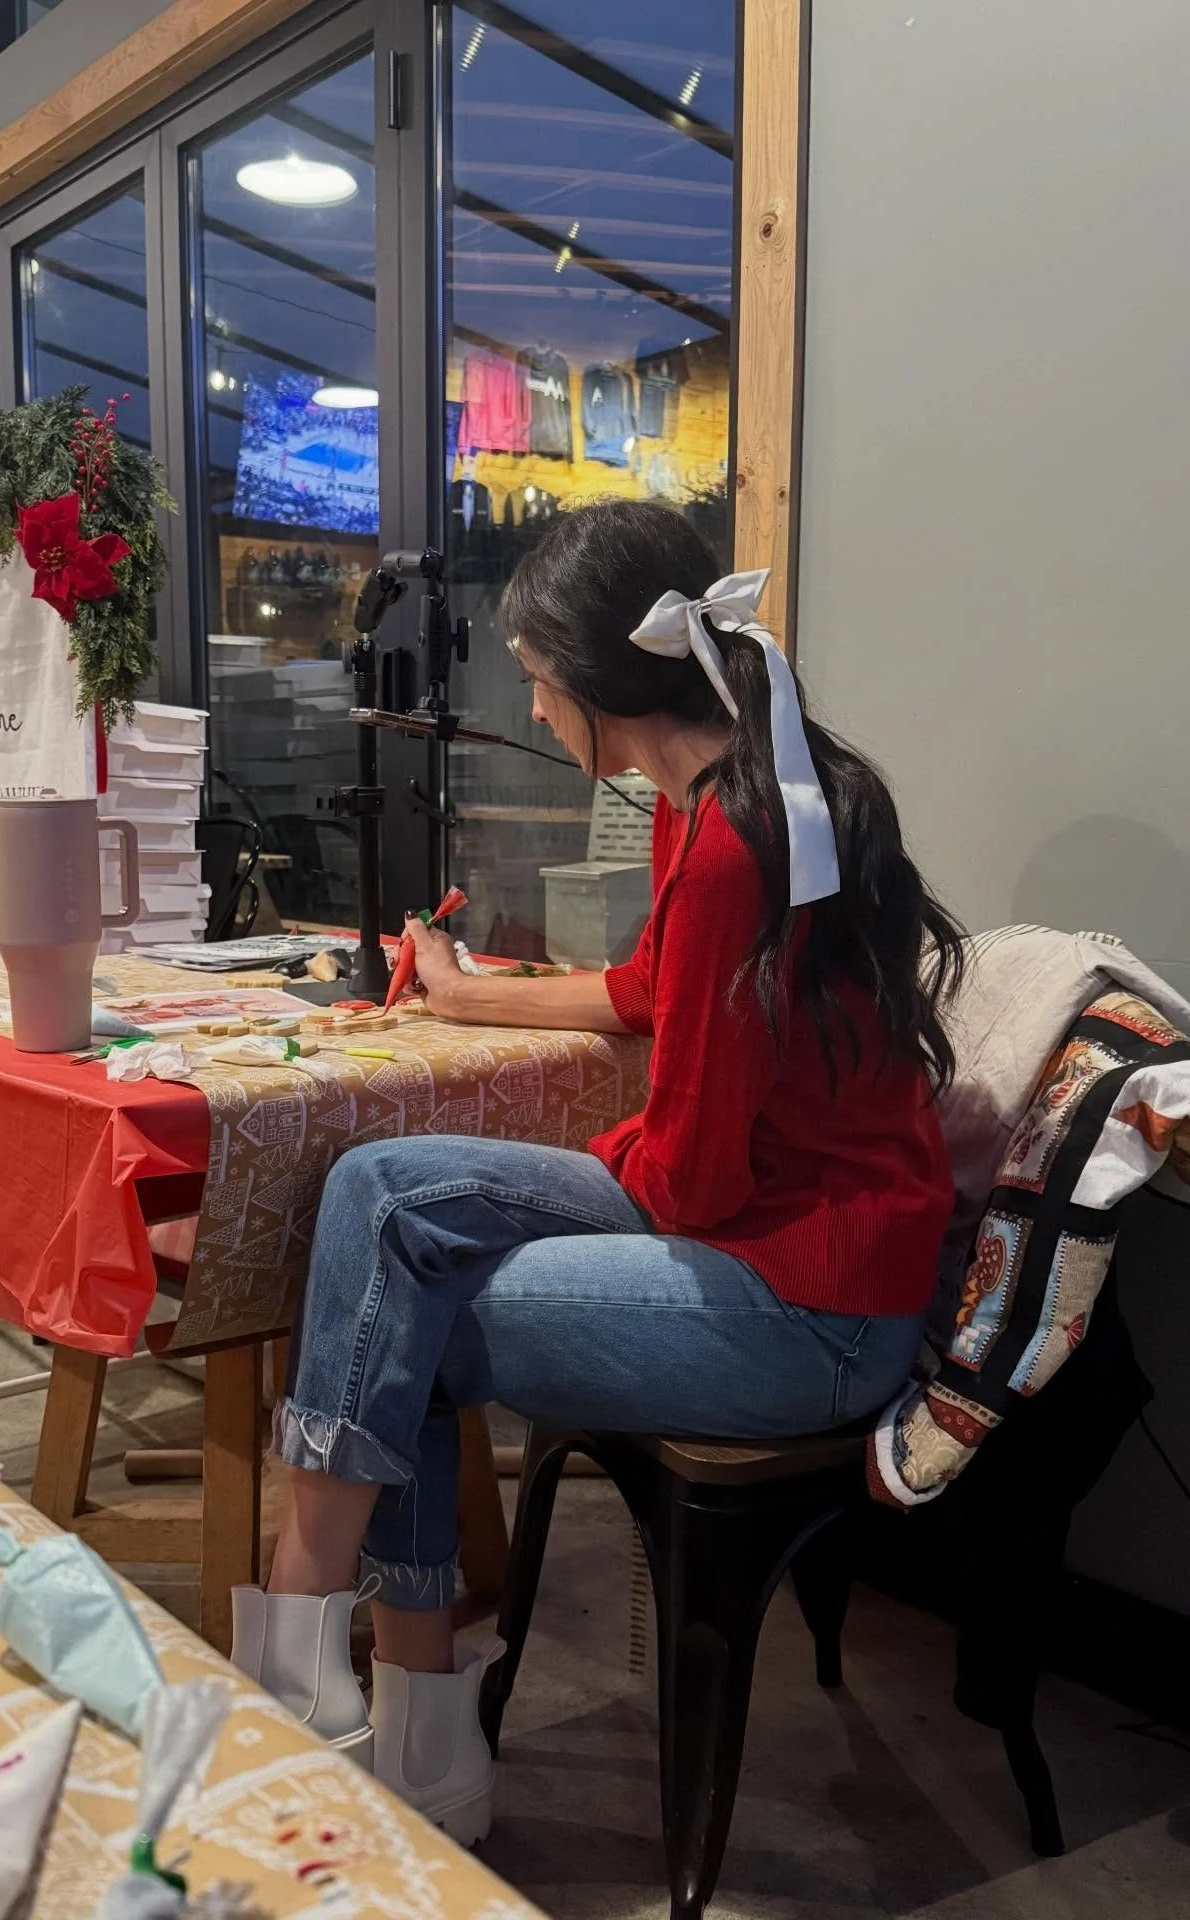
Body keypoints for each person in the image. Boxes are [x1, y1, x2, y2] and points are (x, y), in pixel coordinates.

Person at [230, 499, 965, 1844]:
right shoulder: (734, 790)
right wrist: (462, 996)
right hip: (789, 1235)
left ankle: (337, 1672)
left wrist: (565, 1170)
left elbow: (686, 1182)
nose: (529, 702)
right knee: (382, 1218)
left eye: (529, 679)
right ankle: (385, 1700)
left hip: (812, 1306)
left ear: (580, 683)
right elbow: (644, 991)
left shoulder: (733, 840)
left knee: (398, 1263)